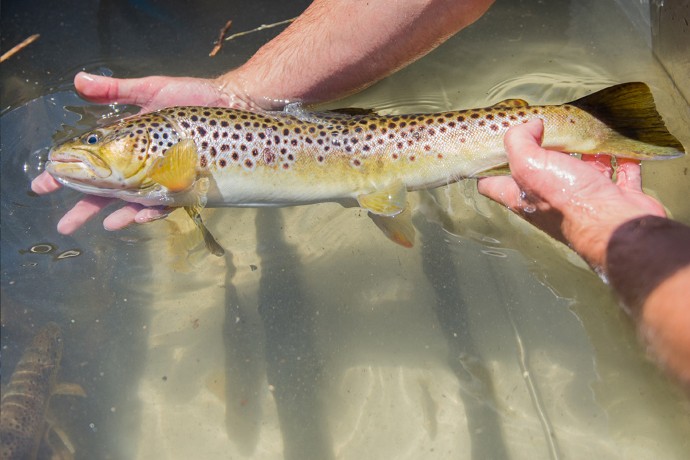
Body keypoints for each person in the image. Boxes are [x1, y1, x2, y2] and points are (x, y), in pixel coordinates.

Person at [30, 0, 690, 386]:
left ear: (163, 157)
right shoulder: (178, 157)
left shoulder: (177, 165)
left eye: (94, 151)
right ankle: (599, 120)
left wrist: (608, 228)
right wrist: (244, 92)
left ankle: (595, 120)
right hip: (370, 146)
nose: (73, 158)